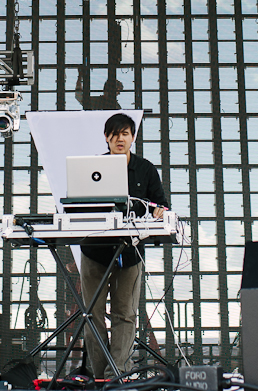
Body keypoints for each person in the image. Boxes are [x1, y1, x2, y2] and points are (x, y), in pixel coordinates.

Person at [79, 113, 168, 379]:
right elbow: (79, 207)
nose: (120, 139)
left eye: (126, 133)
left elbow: (160, 204)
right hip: (95, 252)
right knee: (91, 316)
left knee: (125, 314)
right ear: (106, 138)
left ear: (133, 137)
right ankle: (99, 375)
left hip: (131, 252)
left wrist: (159, 212)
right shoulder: (92, 167)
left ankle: (117, 375)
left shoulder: (146, 169)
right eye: (115, 134)